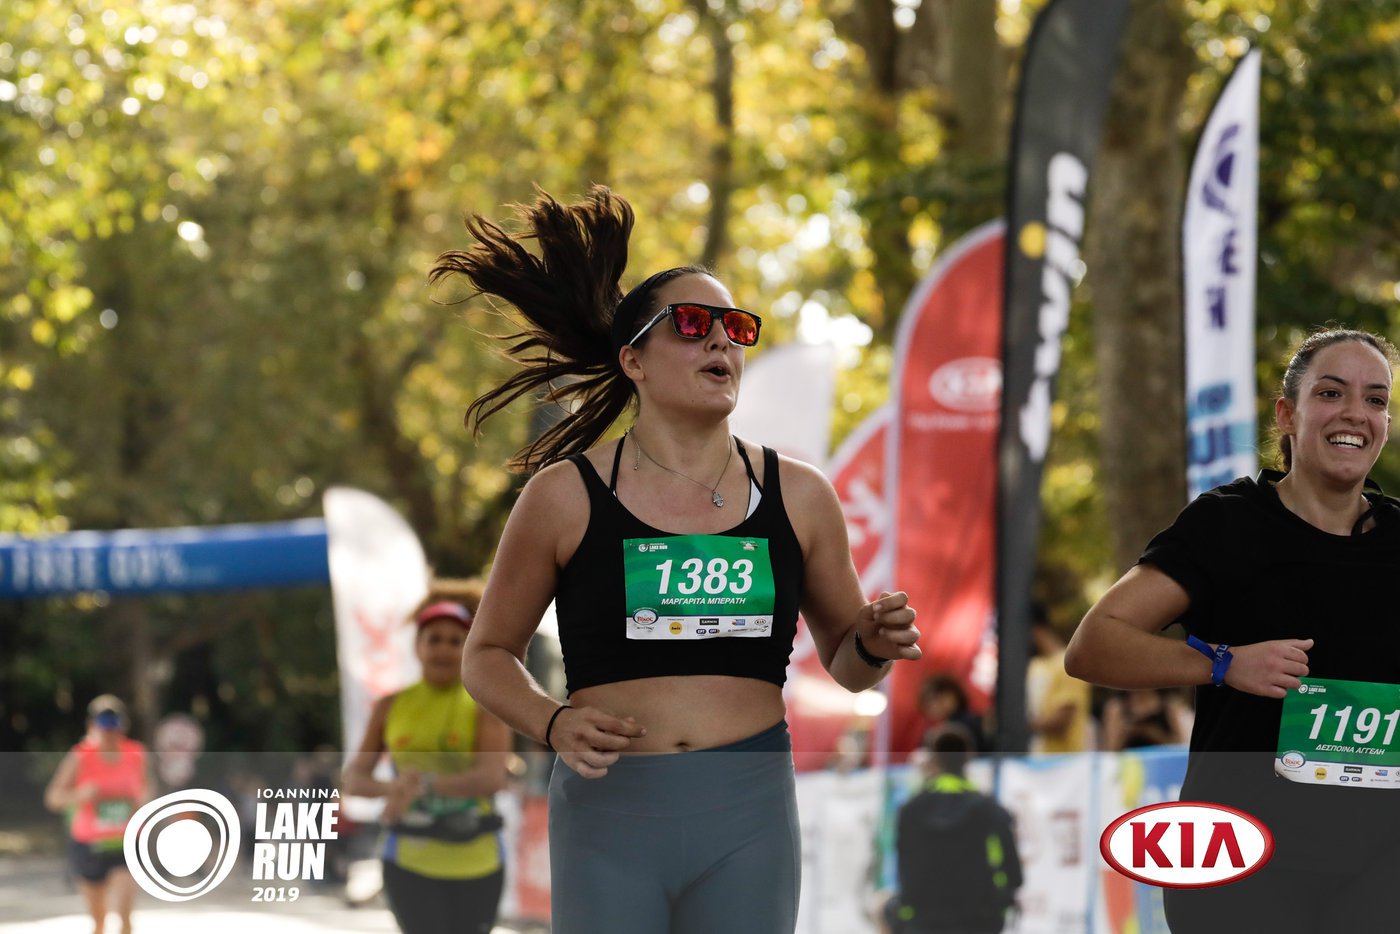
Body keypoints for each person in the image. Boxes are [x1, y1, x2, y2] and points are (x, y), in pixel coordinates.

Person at [432, 185, 921, 934]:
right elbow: (487, 654)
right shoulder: (564, 496)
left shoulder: (800, 495)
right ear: (634, 359)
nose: (721, 342)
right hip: (610, 815)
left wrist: (873, 643)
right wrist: (552, 723)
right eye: (692, 324)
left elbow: (849, 666)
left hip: (749, 813)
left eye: (736, 327)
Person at [1065, 328, 1400, 930]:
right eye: (1331, 393)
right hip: (1240, 859)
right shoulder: (1227, 524)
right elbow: (1094, 644)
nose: (1356, 412)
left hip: (1378, 867)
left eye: (1375, 399)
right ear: (1287, 415)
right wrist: (1223, 663)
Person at [343, 599, 511, 934]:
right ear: (417, 647)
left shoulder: (486, 702)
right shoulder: (390, 705)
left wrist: (424, 785)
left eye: (455, 641)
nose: (443, 649)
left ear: (467, 648)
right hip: (408, 860)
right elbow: (353, 780)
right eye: (434, 639)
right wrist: (392, 788)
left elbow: (492, 777)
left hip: (478, 861)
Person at [884, 725, 1022, 934]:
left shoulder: (911, 810)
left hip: (924, 920)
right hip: (980, 919)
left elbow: (904, 868)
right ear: (969, 756)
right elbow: (1013, 872)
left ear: (932, 759)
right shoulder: (989, 809)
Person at [45, 694, 150, 934]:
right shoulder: (80, 756)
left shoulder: (136, 754)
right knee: (99, 921)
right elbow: (53, 798)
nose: (110, 731)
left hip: (126, 843)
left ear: (124, 725)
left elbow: (147, 790)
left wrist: (142, 801)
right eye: (104, 723)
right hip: (89, 846)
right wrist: (80, 795)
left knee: (124, 914)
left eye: (115, 724)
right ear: (91, 724)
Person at [1026, 614, 1091, 753]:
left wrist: (1021, 724)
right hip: (1036, 758)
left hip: (1065, 760)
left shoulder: (1069, 665)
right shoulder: (1035, 665)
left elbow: (1062, 720)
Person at [918, 673, 989, 752]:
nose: (936, 706)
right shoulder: (932, 730)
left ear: (955, 694)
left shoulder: (968, 722)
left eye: (941, 699)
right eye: (930, 704)